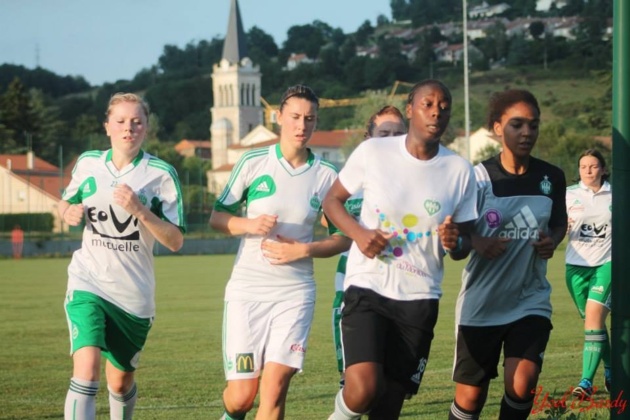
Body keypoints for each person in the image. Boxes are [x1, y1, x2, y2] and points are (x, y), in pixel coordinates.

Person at [323, 79, 478, 420]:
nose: (437, 110)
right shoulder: (373, 153)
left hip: (420, 298)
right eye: (428, 104)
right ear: (410, 110)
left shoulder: (460, 171)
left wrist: (456, 241)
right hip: (369, 287)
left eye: (444, 105)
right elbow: (332, 201)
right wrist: (359, 234)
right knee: (363, 388)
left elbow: (464, 244)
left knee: (388, 407)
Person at [210, 85, 350, 420]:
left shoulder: (327, 176)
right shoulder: (252, 162)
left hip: (295, 294)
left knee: (274, 388)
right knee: (242, 397)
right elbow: (217, 217)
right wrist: (249, 225)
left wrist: (305, 249)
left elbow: (343, 237)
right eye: (295, 117)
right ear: (278, 118)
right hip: (248, 291)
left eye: (310, 119)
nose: (302, 125)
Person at [59, 92, 185, 420]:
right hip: (89, 280)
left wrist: (140, 210)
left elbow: (175, 241)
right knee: (86, 371)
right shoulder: (88, 163)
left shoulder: (161, 174)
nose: (128, 128)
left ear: (146, 128)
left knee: (119, 382)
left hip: (133, 296)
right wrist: (67, 212)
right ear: (107, 127)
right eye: (121, 121)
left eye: (136, 122)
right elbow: (66, 201)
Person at [449, 89, 567, 420]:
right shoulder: (478, 179)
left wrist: (552, 241)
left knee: (523, 383)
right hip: (482, 304)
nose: (527, 133)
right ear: (497, 128)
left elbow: (559, 223)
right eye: (517, 125)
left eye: (533, 125)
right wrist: (477, 242)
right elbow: (457, 239)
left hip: (529, 299)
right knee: (471, 398)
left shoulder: (551, 177)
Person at [329, 105, 407, 388]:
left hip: (403, 285)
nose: (391, 139)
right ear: (368, 137)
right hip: (355, 286)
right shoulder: (349, 181)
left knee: (390, 382)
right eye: (384, 133)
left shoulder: (417, 180)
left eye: (398, 134)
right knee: (354, 380)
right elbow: (332, 227)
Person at [565, 148, 612, 397]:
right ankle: (612, 368)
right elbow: (557, 225)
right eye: (583, 167)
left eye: (593, 166)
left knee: (593, 320)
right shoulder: (569, 195)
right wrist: (561, 227)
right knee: (594, 324)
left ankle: (585, 382)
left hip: (606, 264)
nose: (588, 171)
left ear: (603, 169)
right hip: (575, 267)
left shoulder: (617, 193)